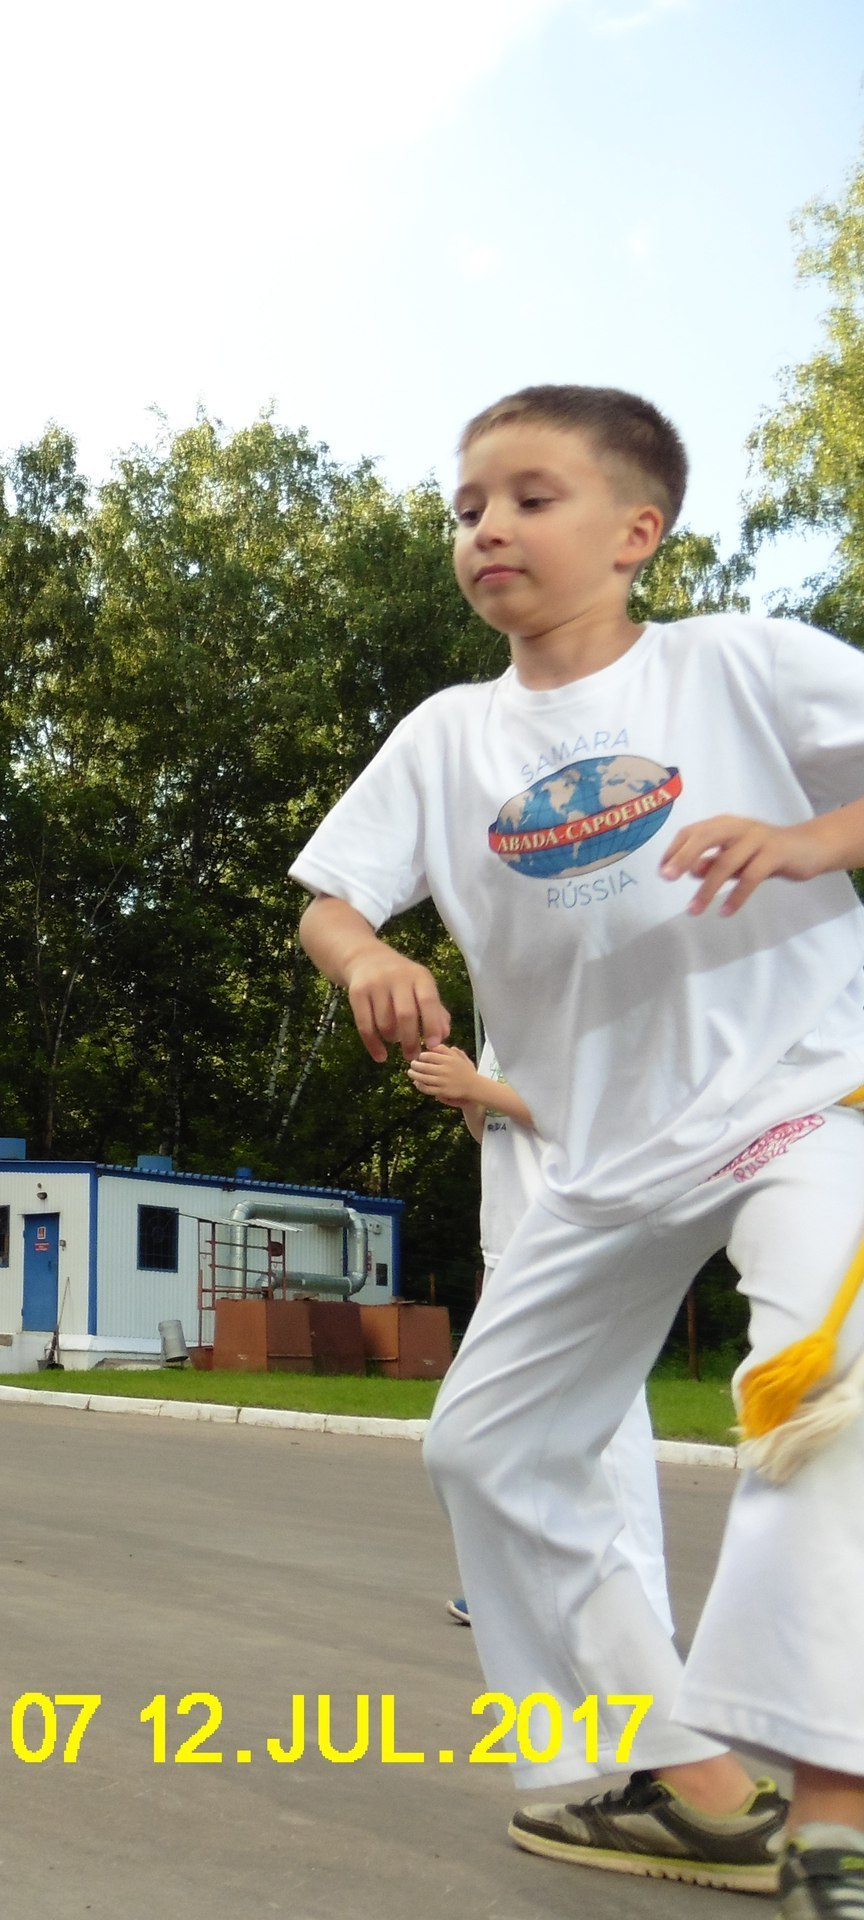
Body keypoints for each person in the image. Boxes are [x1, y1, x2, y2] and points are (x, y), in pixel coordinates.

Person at [292, 385, 864, 1915]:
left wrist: (814, 840)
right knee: (492, 1447)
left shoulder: (736, 663)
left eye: (530, 497)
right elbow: (331, 899)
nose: (487, 527)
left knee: (820, 1390)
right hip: (601, 1154)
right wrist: (365, 956)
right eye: (466, 506)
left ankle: (837, 1804)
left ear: (635, 532)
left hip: (806, 1096)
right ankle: (679, 1780)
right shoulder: (447, 736)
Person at [408, 1039, 672, 1636]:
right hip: (509, 1249)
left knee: (612, 1437)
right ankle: (516, 1588)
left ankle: (644, 1612)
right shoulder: (499, 1029)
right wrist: (468, 1098)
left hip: (576, 1248)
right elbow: (493, 1133)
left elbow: (597, 1122)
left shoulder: (583, 1010)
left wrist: (478, 1086)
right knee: (487, 1434)